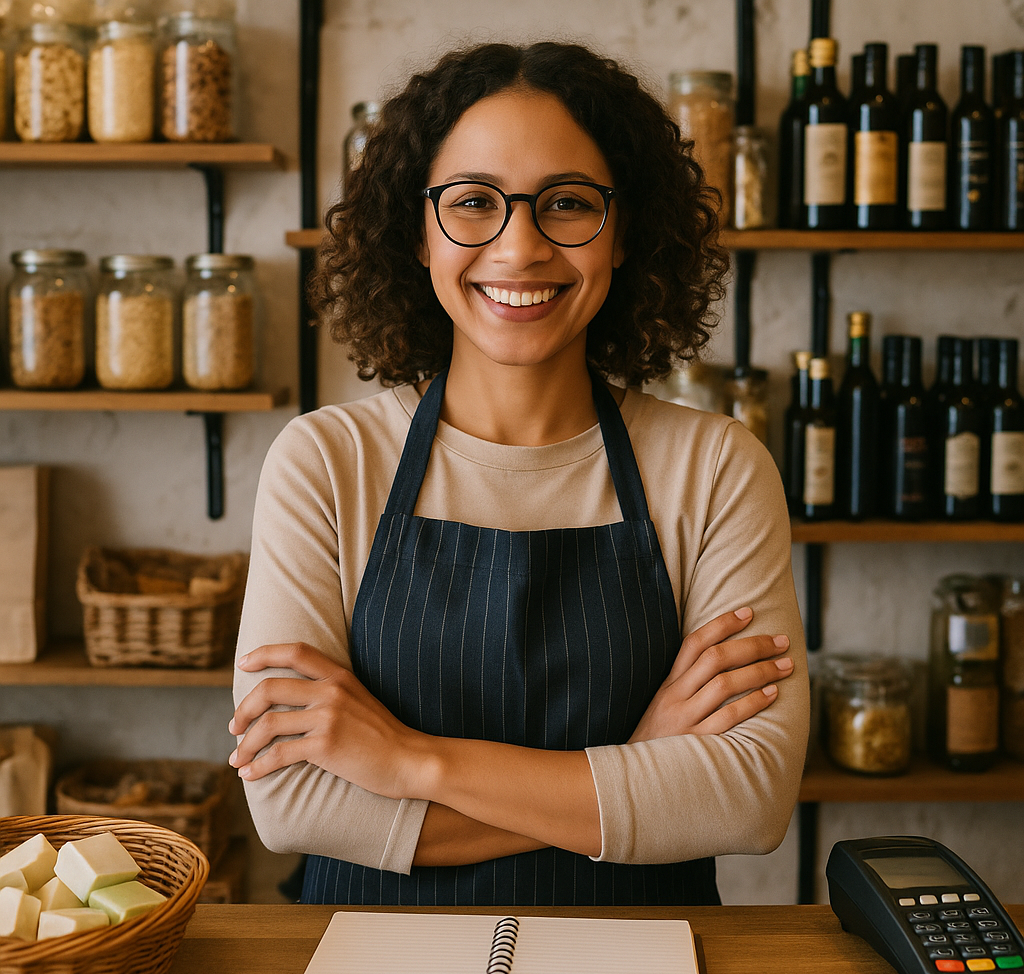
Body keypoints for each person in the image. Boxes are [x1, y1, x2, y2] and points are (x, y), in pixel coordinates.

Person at [228, 40, 810, 907]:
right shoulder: (325, 464)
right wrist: (642, 772)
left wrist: (407, 762)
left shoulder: (717, 468)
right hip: (369, 968)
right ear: (419, 236)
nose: (520, 245)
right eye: (473, 203)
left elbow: (748, 799)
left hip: (642, 969)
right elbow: (295, 802)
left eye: (568, 204)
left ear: (624, 235)